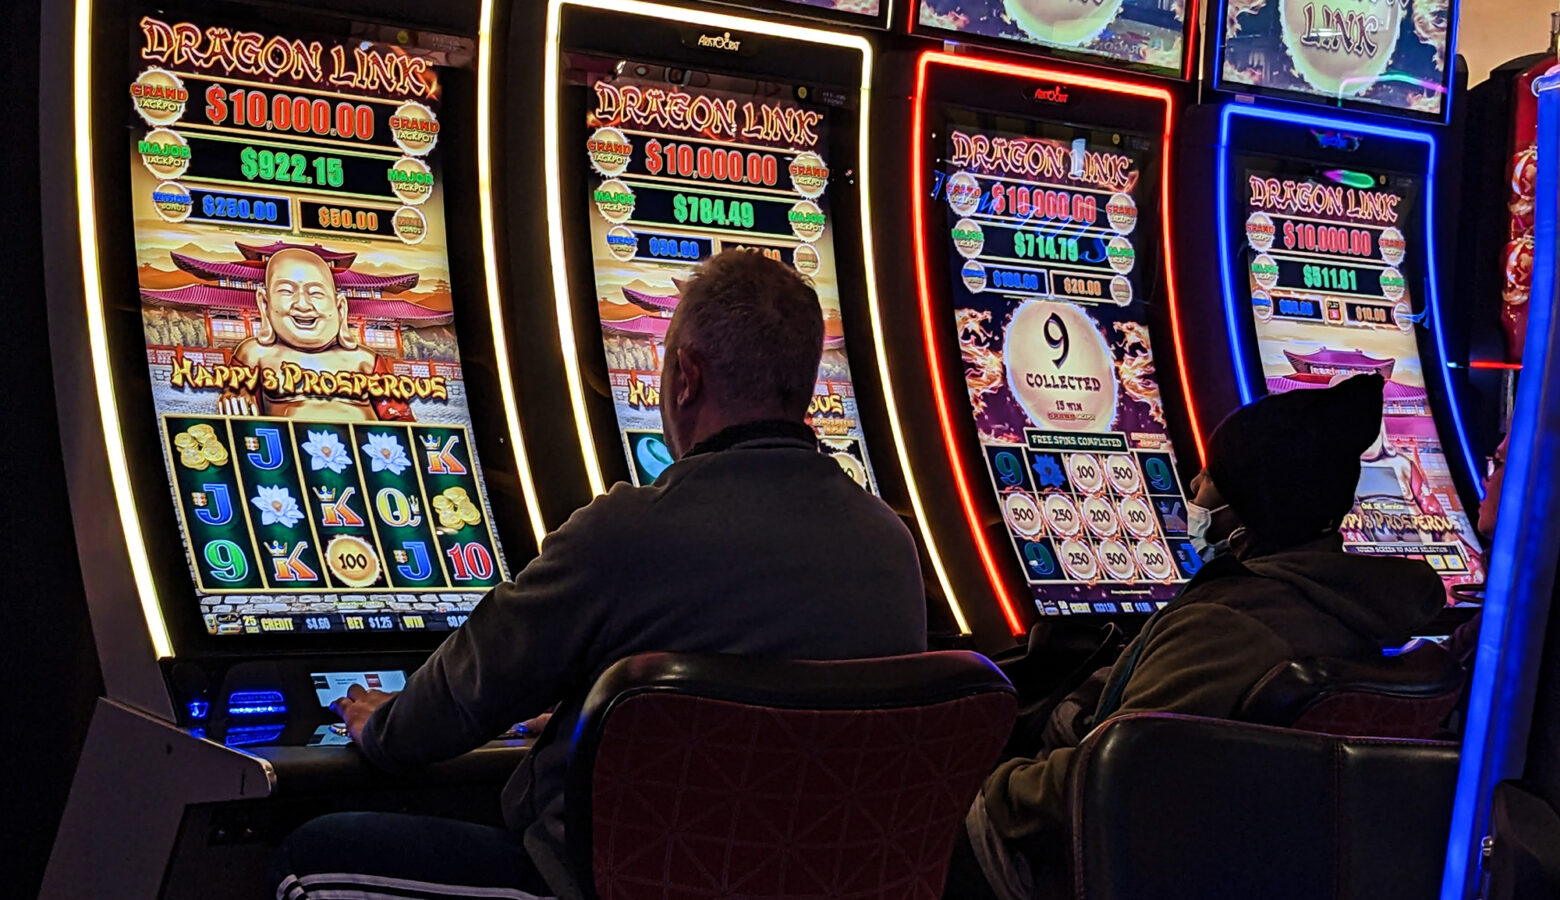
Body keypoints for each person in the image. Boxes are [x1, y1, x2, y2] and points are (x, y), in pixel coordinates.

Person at [270, 250, 928, 900]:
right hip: (811, 884)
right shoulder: (891, 547)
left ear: (685, 378)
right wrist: (595, 714)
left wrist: (378, 722)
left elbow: (446, 711)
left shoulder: (631, 532)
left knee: (309, 854)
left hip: (611, 881)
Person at [948, 373, 1446, 900]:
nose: (1192, 488)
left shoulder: (1232, 624)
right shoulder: (1350, 606)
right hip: (1248, 861)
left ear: (1249, 505)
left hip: (1107, 861)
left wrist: (988, 787)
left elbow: (1113, 777)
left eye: (1211, 476)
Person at [222, 245, 411, 421]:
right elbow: (238, 394)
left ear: (340, 308)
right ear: (265, 304)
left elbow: (400, 416)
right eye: (287, 291)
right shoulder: (255, 354)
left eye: (316, 293)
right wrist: (236, 398)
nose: (303, 305)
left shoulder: (365, 360)